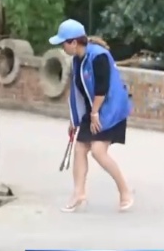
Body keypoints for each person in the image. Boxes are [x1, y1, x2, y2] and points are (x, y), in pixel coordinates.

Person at [49, 19, 135, 213]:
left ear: (73, 42)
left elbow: (102, 88)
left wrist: (96, 113)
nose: (62, 47)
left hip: (111, 109)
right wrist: (75, 120)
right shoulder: (77, 60)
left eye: (63, 43)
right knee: (80, 148)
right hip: (93, 110)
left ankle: (125, 192)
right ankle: (79, 194)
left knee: (97, 151)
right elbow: (77, 93)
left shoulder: (99, 57)